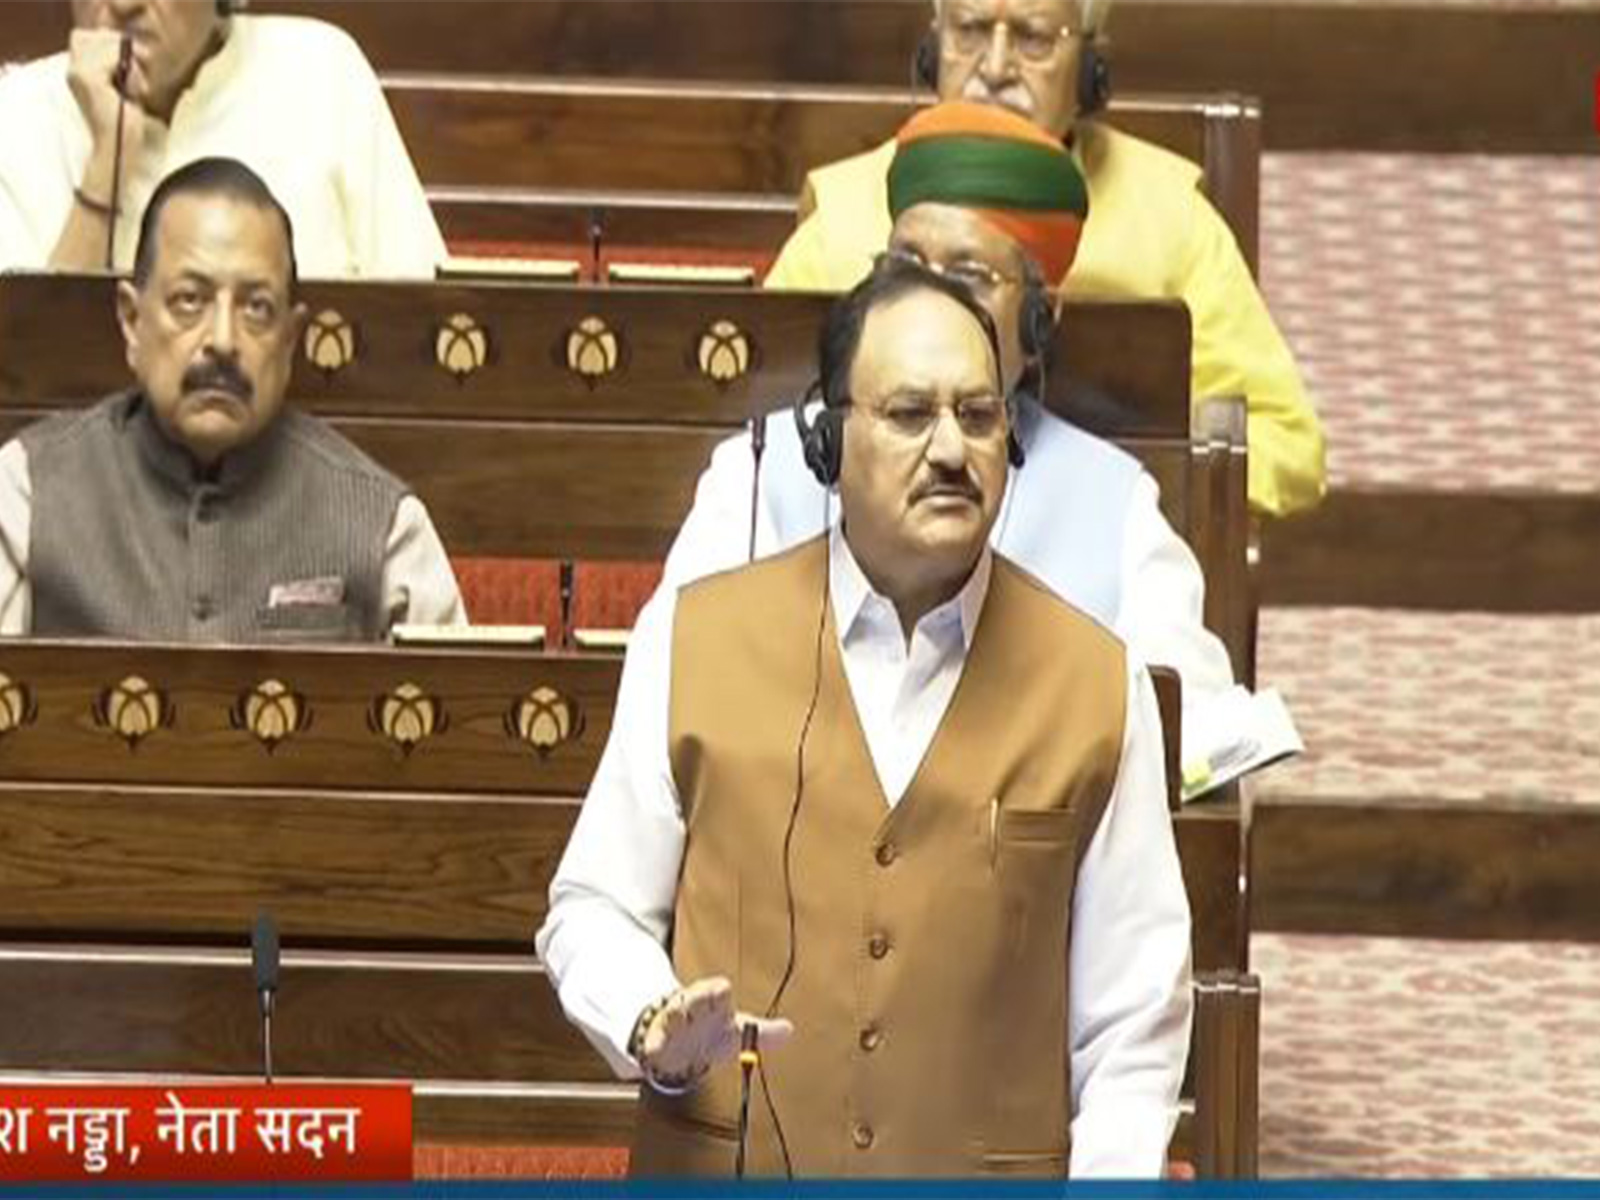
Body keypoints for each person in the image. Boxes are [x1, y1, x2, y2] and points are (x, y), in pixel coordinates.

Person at [537, 256, 1192, 1178]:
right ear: (828, 442)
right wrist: (650, 1018)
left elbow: (1134, 1024)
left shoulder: (1097, 681)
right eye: (910, 414)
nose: (953, 450)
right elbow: (591, 906)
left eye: (978, 415)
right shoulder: (692, 637)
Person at [663, 101, 1237, 767]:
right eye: (906, 264)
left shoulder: (1115, 509)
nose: (929, 300)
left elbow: (1189, 732)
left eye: (969, 275)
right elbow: (666, 693)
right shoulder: (761, 472)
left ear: (1038, 317)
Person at [764, 0, 1324, 518]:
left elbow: (1287, 447)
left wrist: (1114, 480)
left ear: (1089, 68)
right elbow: (749, 435)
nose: (997, 66)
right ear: (933, 50)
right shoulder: (842, 217)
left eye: (1033, 38)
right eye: (971, 31)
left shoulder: (1173, 219)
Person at [0, 157, 464, 639]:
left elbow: (457, 704)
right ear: (132, 321)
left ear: (289, 339)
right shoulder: (25, 492)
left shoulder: (384, 523)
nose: (223, 339)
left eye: (257, 308)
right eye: (189, 300)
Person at [0, 0, 444, 277]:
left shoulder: (323, 71)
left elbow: (418, 311)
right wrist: (105, 163)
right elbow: (24, 376)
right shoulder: (17, 111)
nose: (122, 4)